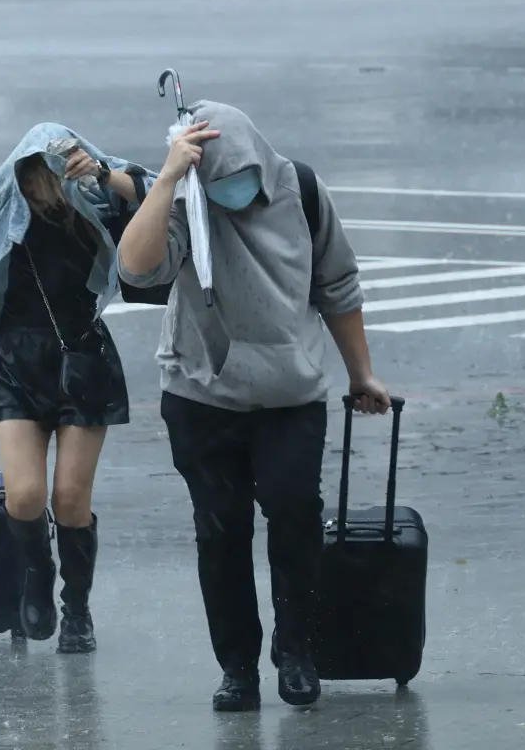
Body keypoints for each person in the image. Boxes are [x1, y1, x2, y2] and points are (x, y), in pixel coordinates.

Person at [116, 100, 392, 711]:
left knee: (294, 517)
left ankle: (296, 651)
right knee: (220, 532)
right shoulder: (188, 198)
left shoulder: (303, 191)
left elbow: (337, 285)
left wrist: (360, 374)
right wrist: (167, 178)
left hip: (289, 395)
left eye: (236, 179)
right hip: (201, 394)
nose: (229, 192)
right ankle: (237, 666)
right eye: (215, 182)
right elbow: (136, 271)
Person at [0, 123, 157, 654]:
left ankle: (78, 609)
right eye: (41, 174)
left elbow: (163, 197)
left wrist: (106, 175)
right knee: (24, 494)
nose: (50, 186)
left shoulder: (96, 197)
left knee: (68, 498)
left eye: (60, 171)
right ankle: (37, 573)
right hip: (17, 358)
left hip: (84, 356)